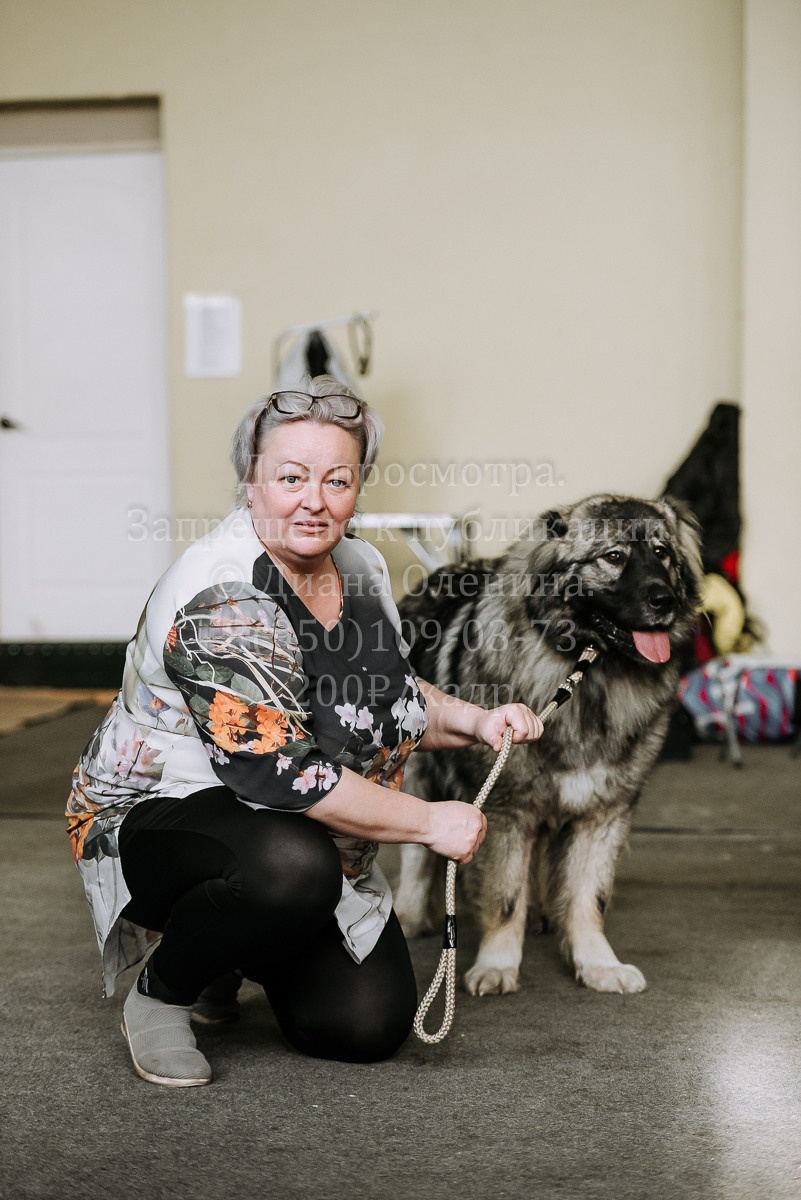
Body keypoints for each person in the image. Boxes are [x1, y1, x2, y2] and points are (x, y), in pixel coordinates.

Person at [66, 375, 543, 1087]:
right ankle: (165, 989)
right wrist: (427, 822)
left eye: (337, 479)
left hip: (290, 832)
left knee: (363, 1028)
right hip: (160, 818)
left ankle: (234, 944)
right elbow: (283, 773)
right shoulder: (224, 597)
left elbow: (388, 694)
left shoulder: (359, 565)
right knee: (289, 868)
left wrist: (476, 720)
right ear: (249, 483)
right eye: (290, 477)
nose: (314, 500)